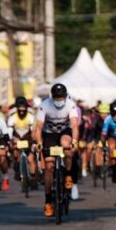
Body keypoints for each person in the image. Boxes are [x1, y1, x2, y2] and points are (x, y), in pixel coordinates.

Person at [34, 83, 80, 217]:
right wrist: (39, 143)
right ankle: (48, 201)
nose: (59, 100)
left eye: (61, 97)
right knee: (49, 166)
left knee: (66, 145)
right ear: (52, 96)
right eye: (57, 97)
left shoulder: (70, 104)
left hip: (64, 132)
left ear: (65, 96)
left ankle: (68, 175)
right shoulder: (45, 105)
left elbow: (75, 125)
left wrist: (75, 141)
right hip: (50, 134)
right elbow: (38, 127)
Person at [7, 96, 38, 185]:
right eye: (19, 110)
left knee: (31, 159)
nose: (21, 112)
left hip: (28, 138)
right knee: (16, 152)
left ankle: (32, 177)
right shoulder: (12, 117)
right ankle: (17, 167)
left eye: (23, 111)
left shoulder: (30, 117)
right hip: (17, 137)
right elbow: (10, 131)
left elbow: (33, 131)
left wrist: (34, 142)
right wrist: (10, 141)